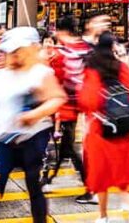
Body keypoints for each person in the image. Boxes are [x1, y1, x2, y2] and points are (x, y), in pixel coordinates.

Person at [0, 26, 65, 223]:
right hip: (5, 139)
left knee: (33, 185)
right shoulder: (0, 76)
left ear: (31, 49)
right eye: (9, 51)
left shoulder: (41, 73)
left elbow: (57, 98)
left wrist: (35, 113)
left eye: (17, 50)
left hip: (33, 139)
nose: (12, 55)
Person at [79, 32, 129, 223]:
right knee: (125, 176)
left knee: (101, 177)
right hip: (123, 132)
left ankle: (103, 216)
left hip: (100, 131)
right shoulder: (122, 67)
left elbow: (87, 101)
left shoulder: (92, 70)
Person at [45, 15, 94, 203]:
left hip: (67, 108)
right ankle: (48, 178)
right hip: (86, 105)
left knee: (70, 148)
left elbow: (55, 81)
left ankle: (90, 188)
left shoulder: (62, 53)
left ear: (61, 31)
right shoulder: (85, 48)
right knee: (67, 147)